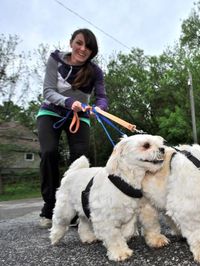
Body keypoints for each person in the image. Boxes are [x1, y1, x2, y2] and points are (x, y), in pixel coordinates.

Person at [36, 28, 108, 228]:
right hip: (51, 112)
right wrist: (68, 102)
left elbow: (101, 97)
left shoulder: (95, 72)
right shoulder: (55, 59)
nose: (83, 49)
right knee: (49, 152)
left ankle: (76, 208)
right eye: (79, 43)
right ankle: (49, 207)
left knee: (80, 158)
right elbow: (48, 91)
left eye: (88, 47)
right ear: (71, 43)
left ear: (93, 52)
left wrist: (99, 108)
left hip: (80, 116)